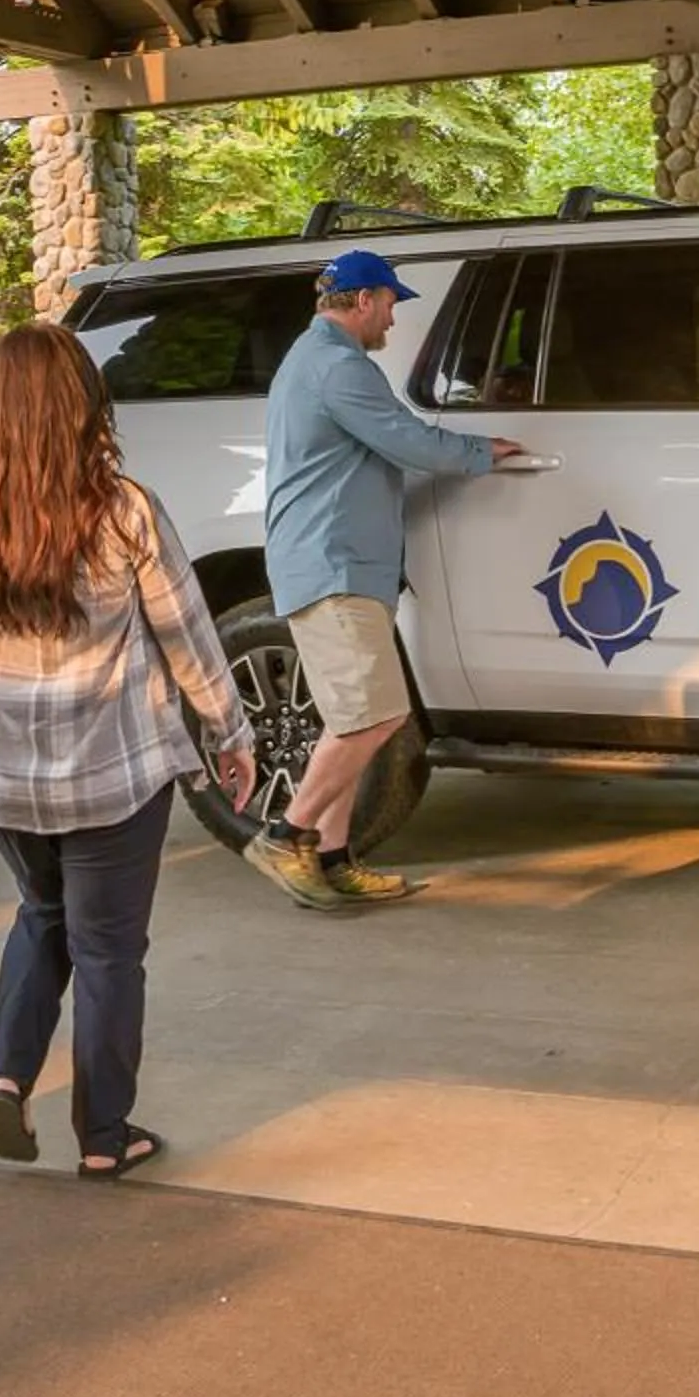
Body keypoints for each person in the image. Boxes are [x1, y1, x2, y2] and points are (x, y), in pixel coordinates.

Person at [0, 321, 259, 1181]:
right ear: (82, 406)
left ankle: (5, 1076)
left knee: (43, 915)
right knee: (107, 949)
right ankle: (104, 1134)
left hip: (2, 774)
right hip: (116, 772)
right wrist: (230, 732)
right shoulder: (123, 509)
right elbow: (187, 633)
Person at [248, 248, 523, 908]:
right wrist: (483, 452)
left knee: (353, 716)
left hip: (340, 560)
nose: (394, 320)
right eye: (392, 303)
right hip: (332, 563)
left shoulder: (313, 360)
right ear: (364, 300)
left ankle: (336, 859)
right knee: (376, 718)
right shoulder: (340, 367)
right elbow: (409, 441)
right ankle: (286, 836)